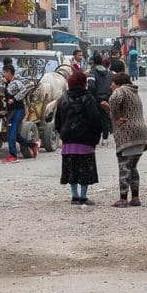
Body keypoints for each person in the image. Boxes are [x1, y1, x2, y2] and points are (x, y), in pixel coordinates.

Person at [54, 70, 102, 205]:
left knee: (72, 170)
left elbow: (58, 120)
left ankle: (75, 196)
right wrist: (96, 136)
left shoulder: (63, 98)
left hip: (68, 141)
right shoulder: (88, 97)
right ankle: (83, 196)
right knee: (85, 170)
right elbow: (95, 118)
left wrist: (63, 133)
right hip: (86, 141)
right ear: (84, 83)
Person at [106, 72, 147, 207]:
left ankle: (123, 199)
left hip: (128, 133)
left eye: (113, 83)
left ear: (118, 83)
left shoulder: (121, 90)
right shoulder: (133, 92)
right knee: (133, 167)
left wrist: (117, 118)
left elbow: (115, 98)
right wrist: (112, 111)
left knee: (124, 167)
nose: (111, 86)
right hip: (140, 134)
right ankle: (135, 198)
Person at [1, 64, 37, 163]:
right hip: (12, 111)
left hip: (17, 110)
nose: (4, 74)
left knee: (11, 132)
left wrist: (14, 99)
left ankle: (13, 156)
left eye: (5, 72)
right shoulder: (9, 83)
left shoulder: (17, 82)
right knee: (15, 135)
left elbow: (24, 90)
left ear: (9, 72)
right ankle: (33, 145)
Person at [87, 52, 112, 144]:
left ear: (93, 62)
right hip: (106, 98)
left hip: (95, 98)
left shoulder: (92, 72)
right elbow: (111, 85)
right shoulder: (108, 72)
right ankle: (105, 139)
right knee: (105, 118)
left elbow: (91, 86)